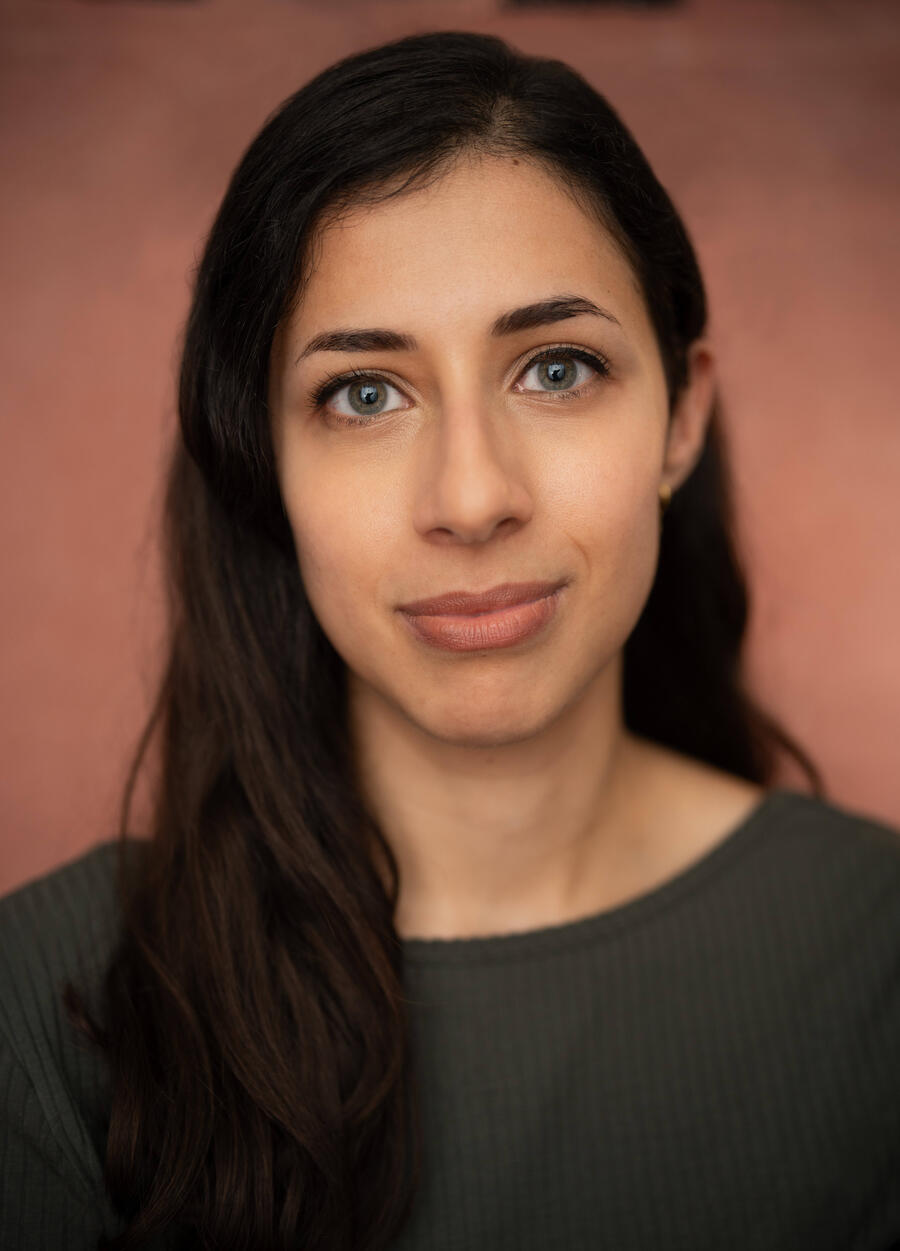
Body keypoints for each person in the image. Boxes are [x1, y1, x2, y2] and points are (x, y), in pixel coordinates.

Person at [1, 28, 899, 1251]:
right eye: (365, 394)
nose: (471, 499)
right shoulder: (47, 1003)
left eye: (558, 369)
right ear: (266, 461)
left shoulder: (875, 948)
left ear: (682, 417)